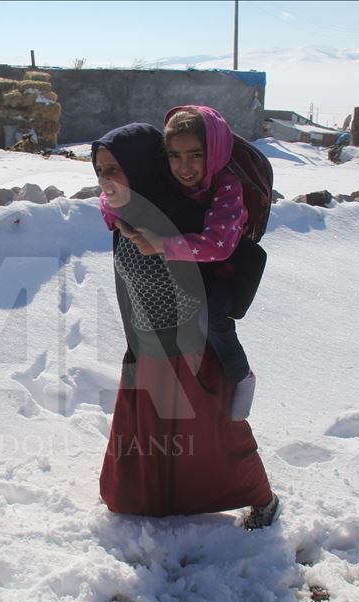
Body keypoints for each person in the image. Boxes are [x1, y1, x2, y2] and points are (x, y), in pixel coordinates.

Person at [93, 123, 280, 528]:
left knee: (212, 442)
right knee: (148, 443)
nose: (106, 180)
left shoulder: (177, 218)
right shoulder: (124, 215)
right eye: (100, 170)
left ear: (141, 167)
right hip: (146, 349)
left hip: (188, 353)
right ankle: (151, 504)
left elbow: (205, 271)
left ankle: (261, 498)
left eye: (115, 169)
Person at [100, 106, 256, 422]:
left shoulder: (226, 186)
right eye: (174, 156)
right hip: (186, 272)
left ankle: (241, 375)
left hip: (220, 272)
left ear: (214, 152)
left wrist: (161, 245)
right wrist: (119, 220)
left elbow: (219, 245)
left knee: (211, 320)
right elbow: (109, 198)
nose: (184, 167)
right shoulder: (169, 181)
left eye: (195, 155)